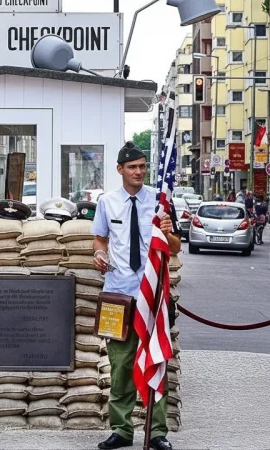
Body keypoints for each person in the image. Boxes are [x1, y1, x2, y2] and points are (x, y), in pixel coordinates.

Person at [92, 142, 181, 450]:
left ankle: (157, 432)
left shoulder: (160, 200)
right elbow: (99, 241)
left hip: (152, 297)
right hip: (117, 295)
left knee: (156, 361)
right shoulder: (107, 202)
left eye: (143, 166)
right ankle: (121, 429)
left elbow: (175, 247)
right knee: (120, 366)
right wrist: (99, 256)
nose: (139, 172)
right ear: (120, 170)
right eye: (133, 167)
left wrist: (168, 231)